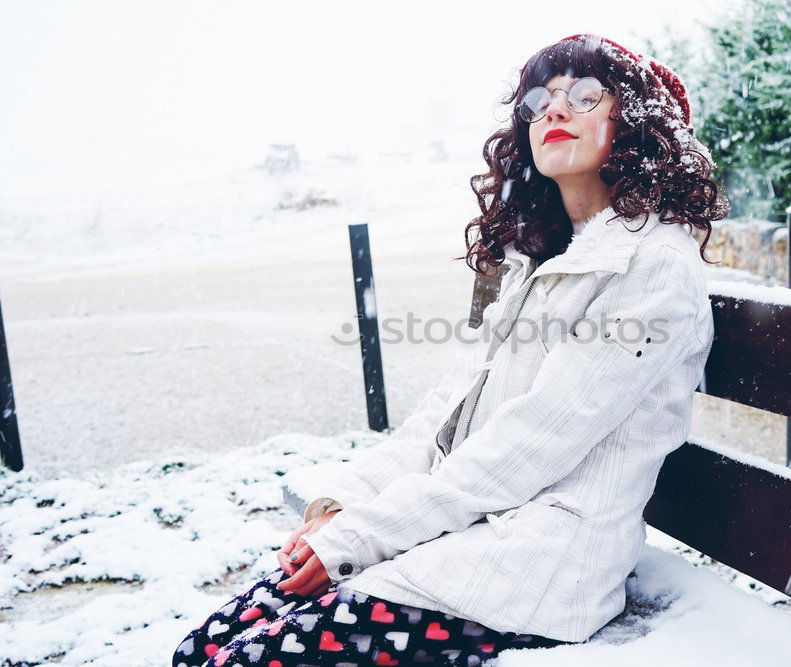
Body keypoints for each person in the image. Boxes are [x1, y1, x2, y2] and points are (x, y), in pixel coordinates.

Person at [172, 32, 729, 667]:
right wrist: (344, 509)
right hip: (467, 541)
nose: (553, 110)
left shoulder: (652, 269)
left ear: (634, 122)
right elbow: (440, 421)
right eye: (539, 100)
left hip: (534, 573)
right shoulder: (543, 264)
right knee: (201, 649)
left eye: (583, 95)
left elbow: (526, 449)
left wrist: (361, 540)